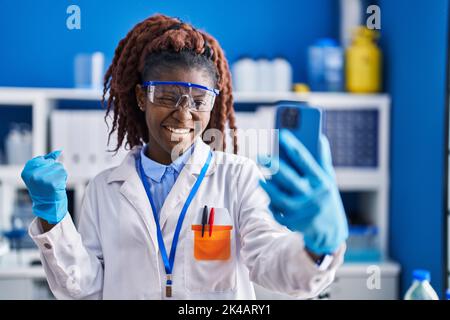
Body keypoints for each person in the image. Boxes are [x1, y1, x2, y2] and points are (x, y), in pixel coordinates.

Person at [21, 14, 348, 299]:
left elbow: (272, 262)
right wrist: (53, 219)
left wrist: (318, 247)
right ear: (141, 97)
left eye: (198, 100)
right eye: (167, 96)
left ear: (213, 105)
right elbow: (85, 290)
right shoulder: (104, 189)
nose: (184, 113)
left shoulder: (237, 178)